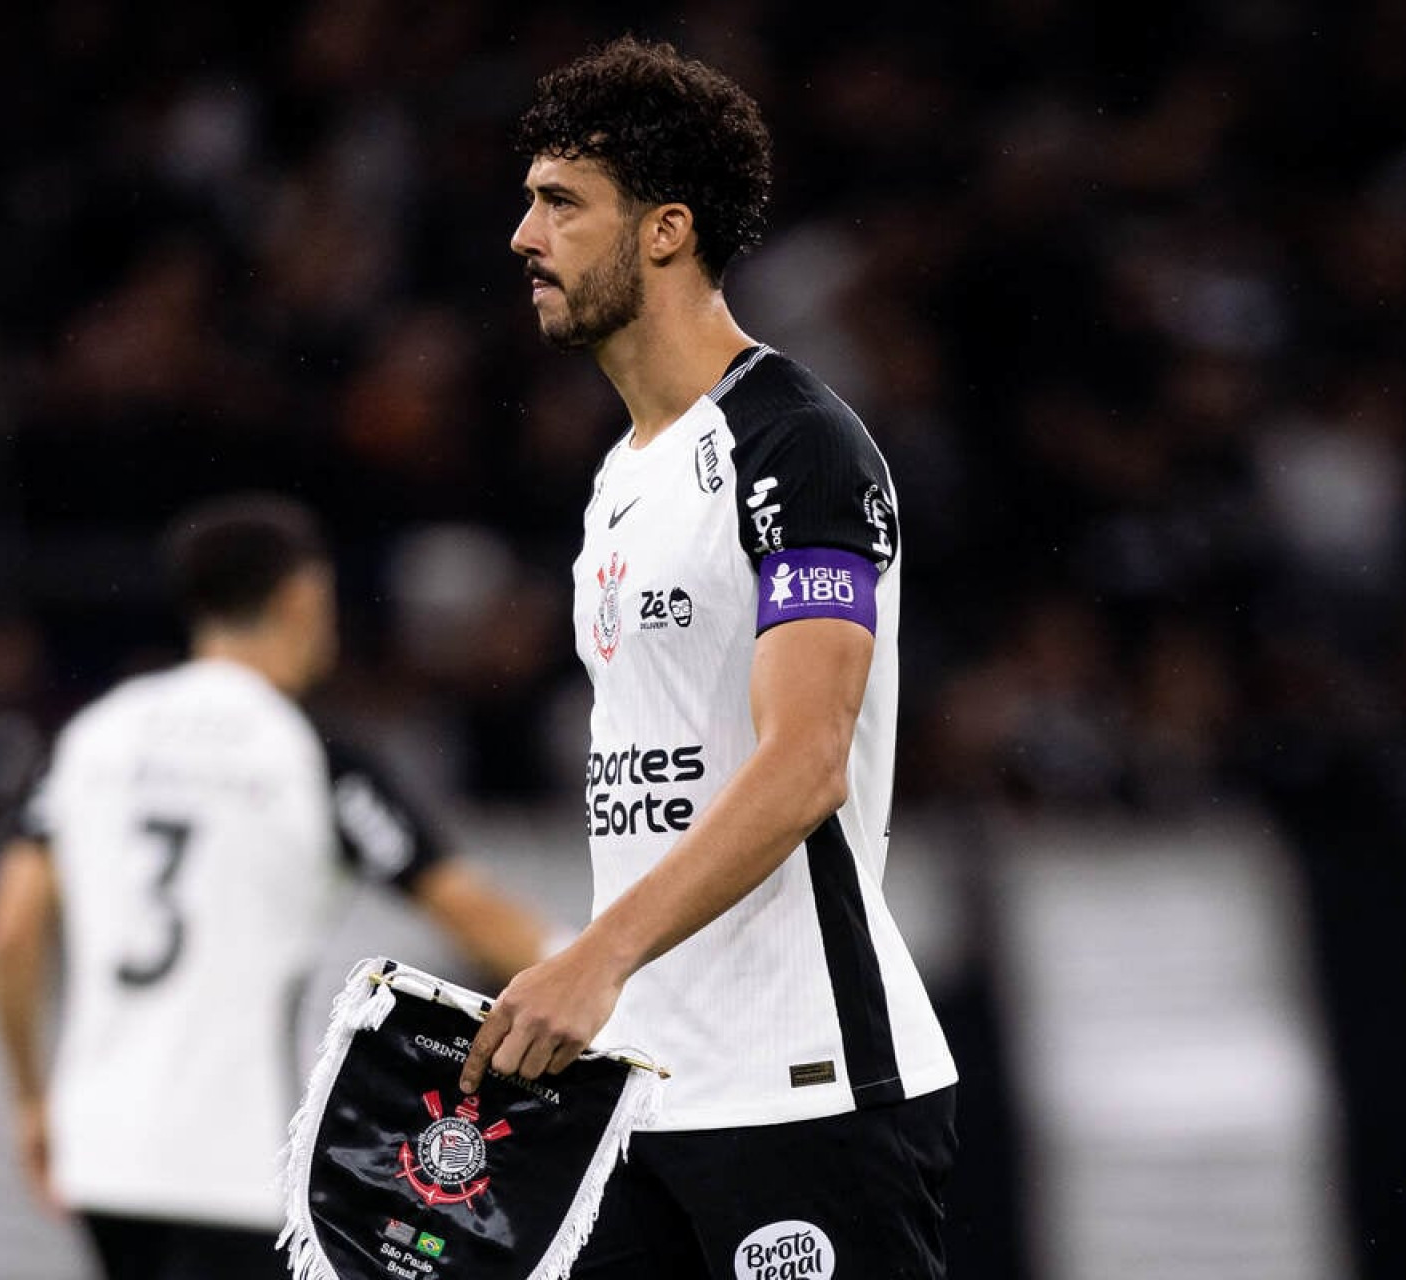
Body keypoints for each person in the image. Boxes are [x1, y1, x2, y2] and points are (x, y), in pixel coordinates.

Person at [459, 35, 960, 1280]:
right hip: (644, 1090)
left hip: (807, 1088)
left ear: (666, 230)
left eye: (561, 203)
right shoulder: (619, 477)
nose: (524, 236)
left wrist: (595, 954)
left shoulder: (799, 447)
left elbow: (806, 762)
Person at [0, 492, 556, 1280]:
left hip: (103, 1147)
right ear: (302, 598)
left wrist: (28, 1100)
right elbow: (468, 909)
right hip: (241, 1157)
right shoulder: (310, 756)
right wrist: (596, 970)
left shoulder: (92, 737)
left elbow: (10, 930)